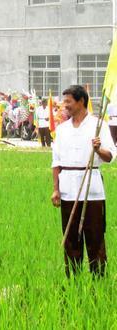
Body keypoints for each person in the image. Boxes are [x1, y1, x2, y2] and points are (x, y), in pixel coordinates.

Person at [51, 85, 116, 278]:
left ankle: (99, 278)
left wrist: (98, 150)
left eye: (68, 101)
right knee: (71, 238)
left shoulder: (98, 125)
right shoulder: (62, 129)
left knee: (95, 236)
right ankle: (73, 279)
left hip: (92, 190)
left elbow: (111, 155)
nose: (65, 106)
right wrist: (56, 189)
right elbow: (56, 162)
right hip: (68, 189)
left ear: (81, 101)